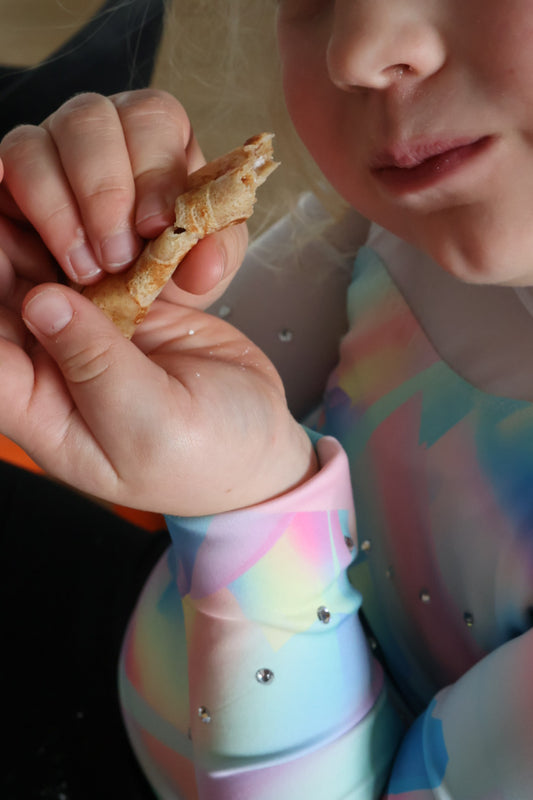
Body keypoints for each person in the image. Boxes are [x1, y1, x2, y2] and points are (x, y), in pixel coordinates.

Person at [1, 2, 533, 800]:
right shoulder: (406, 225)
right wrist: (99, 252)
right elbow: (186, 375)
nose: (353, 50)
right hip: (126, 634)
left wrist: (251, 502)